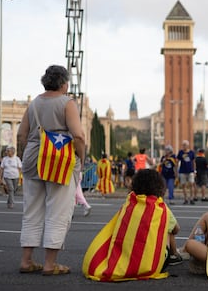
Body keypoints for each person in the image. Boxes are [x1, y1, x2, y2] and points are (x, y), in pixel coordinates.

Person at [17, 65, 85, 275]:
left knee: (31, 210)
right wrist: (81, 159)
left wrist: (23, 157)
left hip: (33, 156)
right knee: (58, 210)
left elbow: (21, 135)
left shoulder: (34, 103)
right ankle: (50, 264)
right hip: (59, 158)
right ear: (64, 83)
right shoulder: (67, 103)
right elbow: (79, 136)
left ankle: (27, 261)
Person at [82, 169, 175, 281]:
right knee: (169, 231)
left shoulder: (129, 204)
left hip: (126, 255)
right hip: (149, 265)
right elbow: (176, 228)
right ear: (160, 187)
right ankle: (174, 255)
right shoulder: (161, 208)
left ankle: (125, 262)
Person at [177, 140, 196, 205]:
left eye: (185, 145)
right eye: (183, 145)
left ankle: (191, 198)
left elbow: (193, 162)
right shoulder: (180, 152)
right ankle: (185, 199)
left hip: (190, 170)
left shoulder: (191, 152)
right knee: (183, 185)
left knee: (191, 184)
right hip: (182, 170)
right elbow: (177, 161)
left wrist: (194, 170)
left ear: (188, 145)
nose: (184, 146)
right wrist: (177, 170)